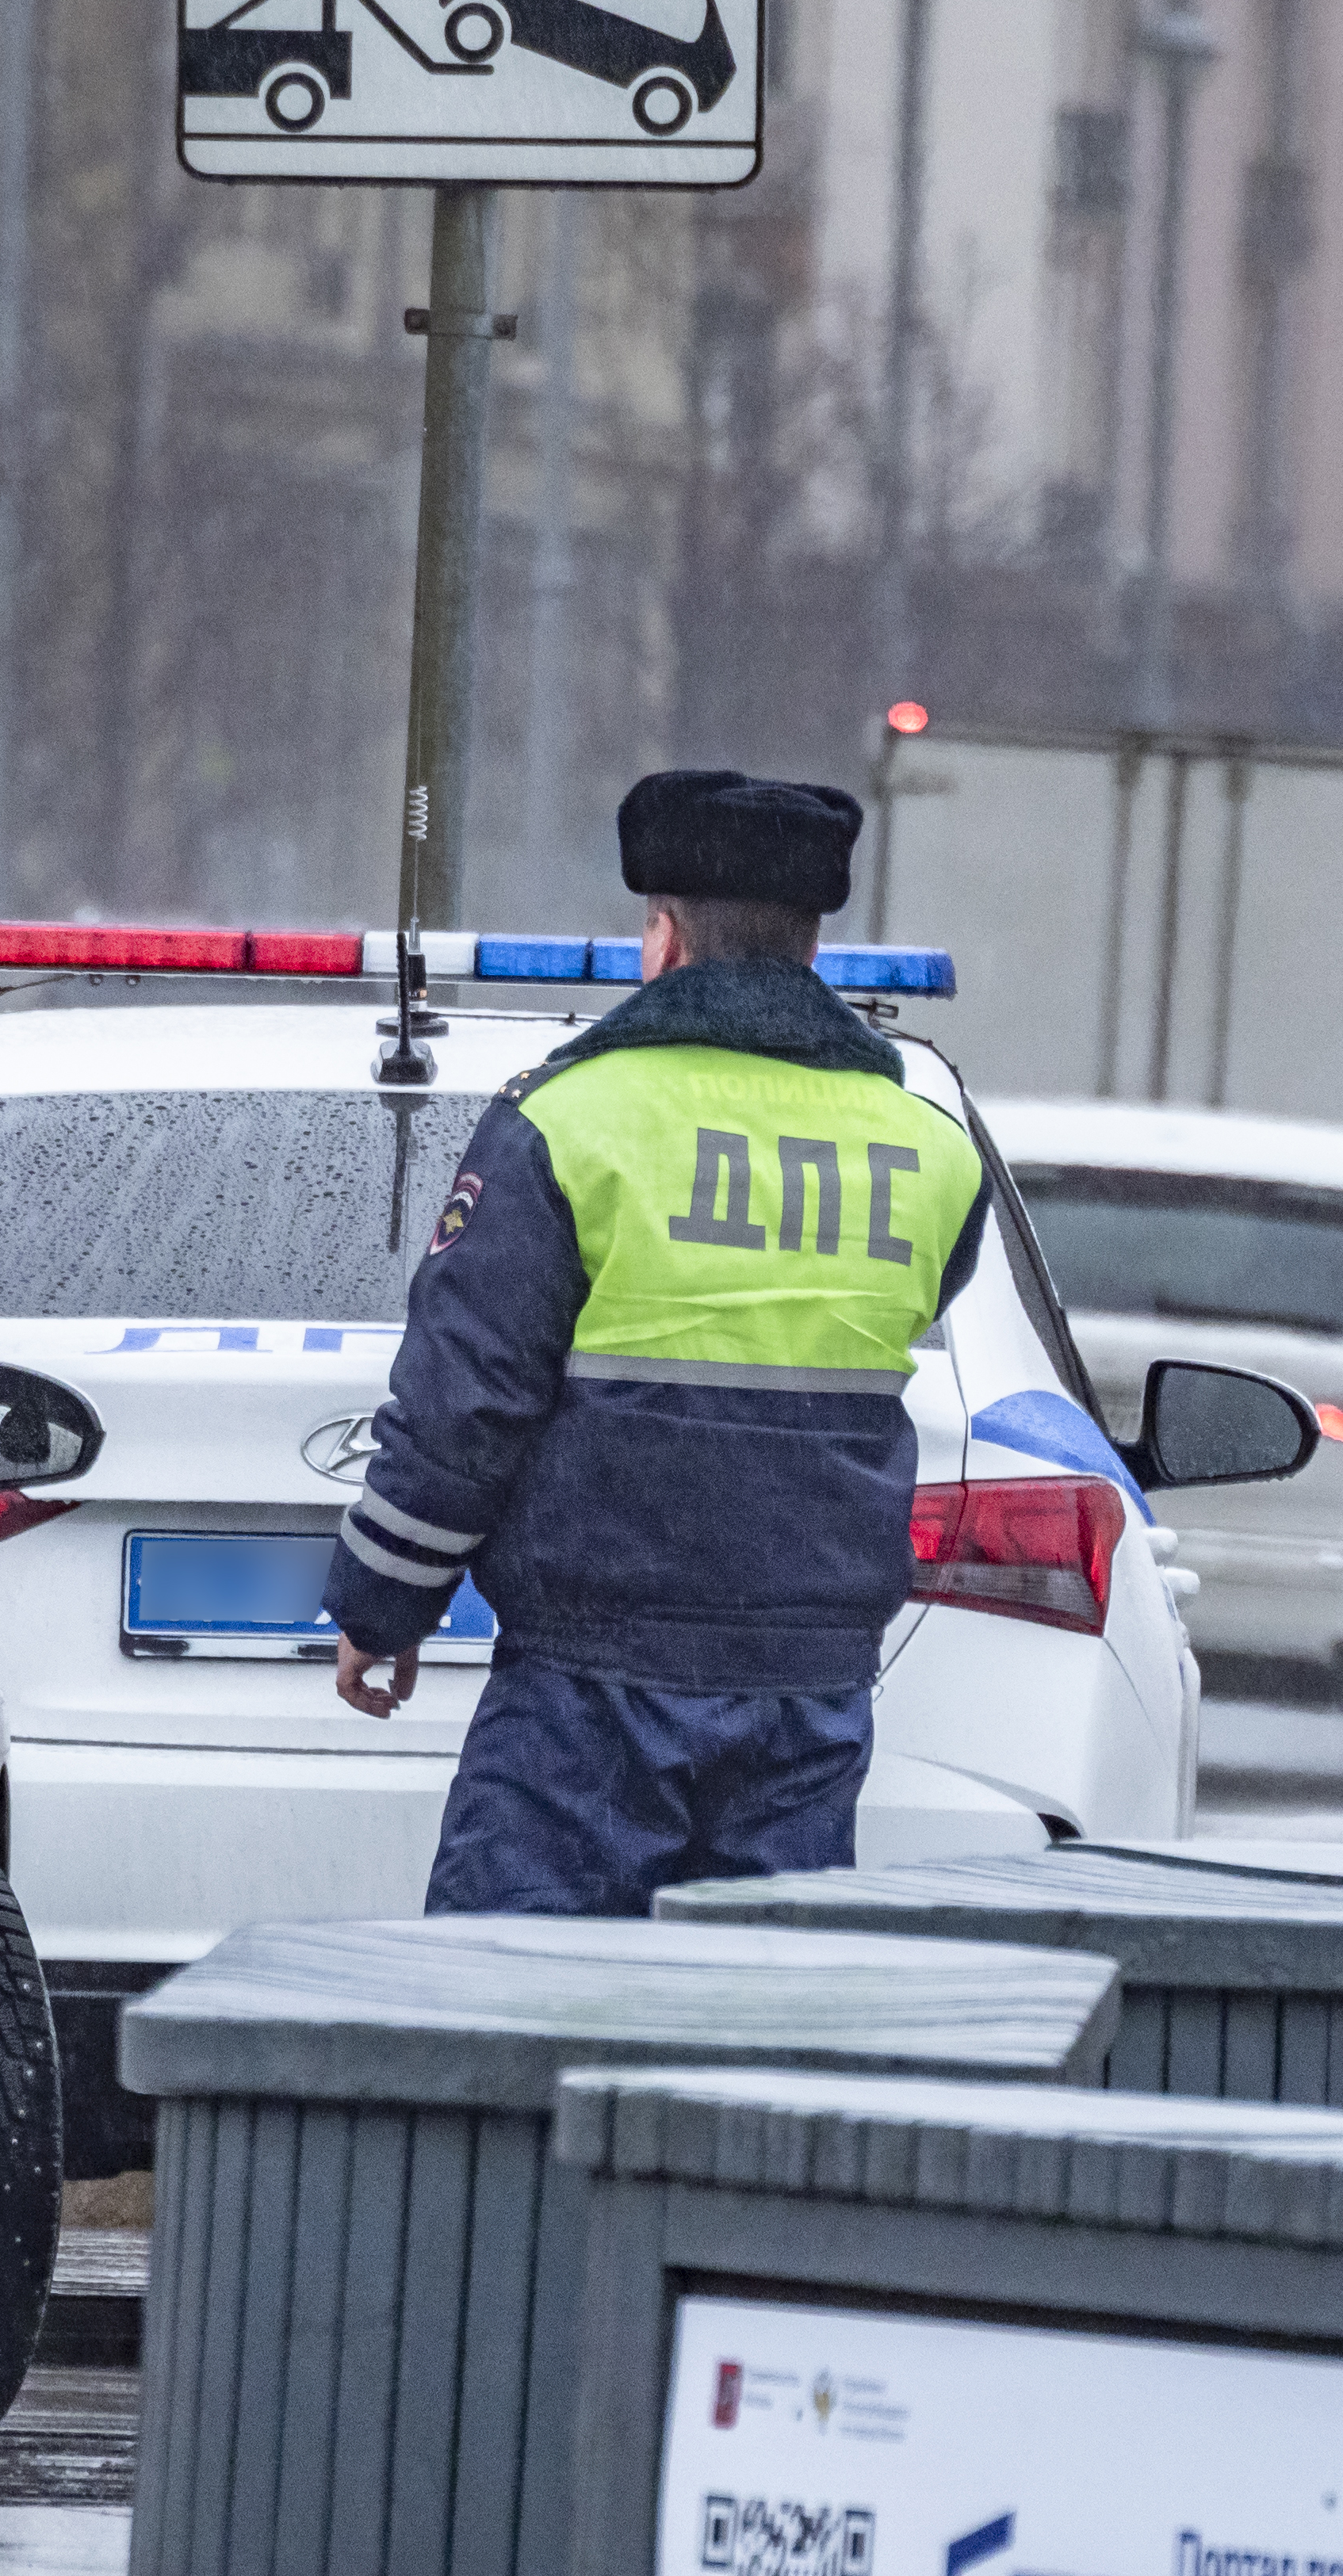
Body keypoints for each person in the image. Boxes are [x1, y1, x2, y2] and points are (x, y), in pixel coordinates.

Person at [322, 769, 987, 1915]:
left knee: (515, 2018)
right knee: (745, 2049)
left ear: (665, 939)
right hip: (808, 1703)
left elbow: (466, 1405)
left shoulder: (569, 1123)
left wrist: (383, 1604)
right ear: (812, 951)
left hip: (590, 1694)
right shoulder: (931, 1149)